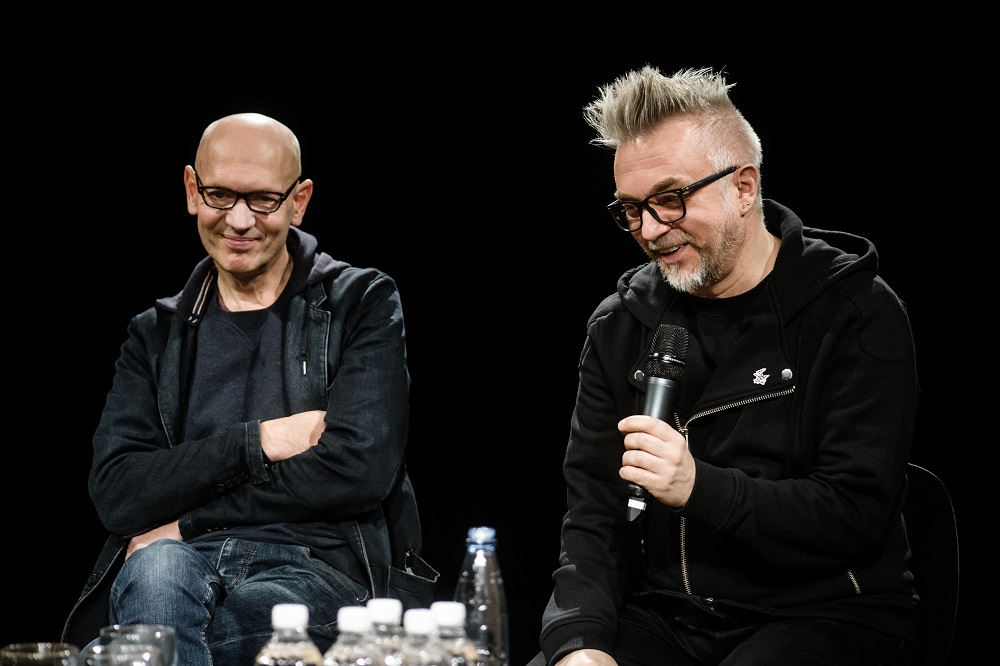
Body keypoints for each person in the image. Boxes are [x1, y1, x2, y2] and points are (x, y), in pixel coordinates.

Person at [531, 67, 919, 665]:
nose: (650, 230)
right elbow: (594, 515)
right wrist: (577, 639)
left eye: (670, 199)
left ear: (743, 187)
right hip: (670, 615)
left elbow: (855, 514)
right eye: (631, 209)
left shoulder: (854, 311)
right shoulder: (621, 325)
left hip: (824, 611)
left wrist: (697, 487)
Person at [61, 112, 439, 665]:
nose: (239, 221)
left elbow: (359, 469)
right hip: (179, 564)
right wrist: (259, 441)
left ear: (298, 201)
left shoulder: (360, 303)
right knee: (156, 572)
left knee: (187, 629)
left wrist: (191, 520)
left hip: (317, 569)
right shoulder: (154, 335)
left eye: (262, 200)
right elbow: (119, 491)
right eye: (219, 195)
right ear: (192, 191)